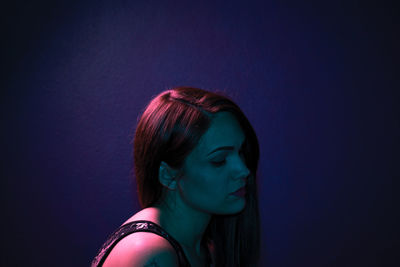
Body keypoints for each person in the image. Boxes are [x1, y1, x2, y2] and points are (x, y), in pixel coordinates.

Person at [91, 87, 261, 266]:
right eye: (219, 160)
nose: (243, 170)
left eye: (241, 152)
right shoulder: (148, 252)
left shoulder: (205, 248)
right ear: (168, 175)